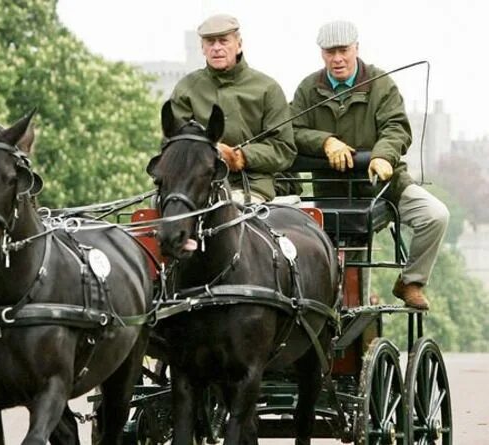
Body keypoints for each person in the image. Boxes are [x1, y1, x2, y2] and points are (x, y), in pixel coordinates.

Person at [290, 20, 449, 309]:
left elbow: (396, 127)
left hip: (385, 185)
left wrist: (382, 155)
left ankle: (410, 281)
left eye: (343, 50)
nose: (337, 59)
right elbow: (292, 131)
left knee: (435, 215)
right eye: (330, 52)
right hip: (331, 192)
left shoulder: (381, 84)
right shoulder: (307, 90)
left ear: (356, 49)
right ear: (321, 54)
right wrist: (326, 142)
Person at [169, 14, 296, 203]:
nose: (217, 48)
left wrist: (242, 156)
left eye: (223, 41)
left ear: (239, 44)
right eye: (210, 42)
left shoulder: (267, 88)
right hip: (196, 186)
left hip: (251, 185)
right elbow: (175, 143)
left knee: (230, 212)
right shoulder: (186, 88)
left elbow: (283, 148)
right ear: (202, 48)